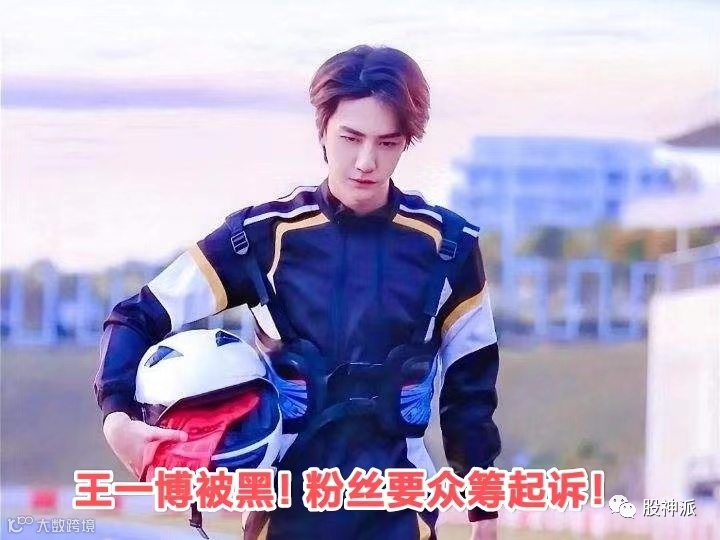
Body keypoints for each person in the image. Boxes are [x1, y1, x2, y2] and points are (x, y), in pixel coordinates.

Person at [95, 44, 502, 540]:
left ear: (406, 142)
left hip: (402, 516)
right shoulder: (260, 238)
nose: (366, 162)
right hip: (281, 517)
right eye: (350, 137)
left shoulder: (449, 247)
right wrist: (117, 418)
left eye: (388, 142)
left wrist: (484, 516)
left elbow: (470, 392)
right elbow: (134, 317)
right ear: (323, 129)